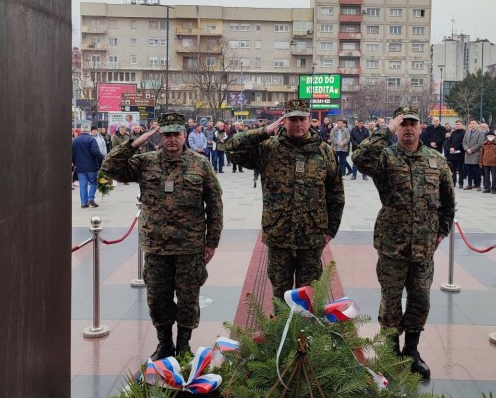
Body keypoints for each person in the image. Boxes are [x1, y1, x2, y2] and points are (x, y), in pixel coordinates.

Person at [101, 112, 223, 360]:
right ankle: (164, 343)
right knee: (158, 299)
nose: (171, 139)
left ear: (184, 135)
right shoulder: (145, 162)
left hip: (190, 247)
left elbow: (215, 205)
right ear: (160, 136)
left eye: (176, 134)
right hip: (156, 247)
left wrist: (212, 242)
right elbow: (109, 168)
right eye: (166, 134)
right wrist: (134, 143)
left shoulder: (201, 164)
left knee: (188, 299)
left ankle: (184, 344)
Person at [353, 106, 455, 380]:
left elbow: (448, 203)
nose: (408, 129)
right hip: (392, 245)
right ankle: (390, 351)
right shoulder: (384, 158)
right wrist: (384, 130)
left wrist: (441, 234)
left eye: (413, 124)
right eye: (403, 124)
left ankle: (411, 351)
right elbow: (359, 158)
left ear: (421, 127)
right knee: (390, 301)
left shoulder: (436, 160)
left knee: (421, 299)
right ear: (397, 128)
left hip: (424, 248)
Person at [226, 99, 345, 302]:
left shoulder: (324, 152)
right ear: (284, 121)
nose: (298, 124)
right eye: (292, 119)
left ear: (309, 121)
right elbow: (231, 148)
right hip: (279, 235)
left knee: (308, 295)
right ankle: (281, 333)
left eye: (302, 119)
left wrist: (330, 231)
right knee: (280, 296)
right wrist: (262, 132)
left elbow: (336, 195)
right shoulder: (269, 148)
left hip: (312, 236)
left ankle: (305, 334)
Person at [71, 123, 105, 208]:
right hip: (91, 166)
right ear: (89, 130)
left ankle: (83, 202)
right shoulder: (91, 139)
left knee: (83, 185)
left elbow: (72, 154)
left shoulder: (75, 140)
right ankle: (91, 198)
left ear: (81, 130)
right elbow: (95, 152)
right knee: (94, 182)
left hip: (80, 167)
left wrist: (75, 163)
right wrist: (103, 159)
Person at [462, 120, 484, 190]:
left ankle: (478, 185)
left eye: (473, 123)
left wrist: (471, 149)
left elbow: (480, 143)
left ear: (477, 125)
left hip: (475, 153)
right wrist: (466, 148)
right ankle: (469, 184)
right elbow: (464, 142)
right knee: (469, 170)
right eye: (471, 123)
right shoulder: (467, 132)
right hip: (467, 153)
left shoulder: (480, 132)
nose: (472, 124)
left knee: (477, 170)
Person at [443, 120, 466, 188]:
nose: (457, 125)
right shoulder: (453, 133)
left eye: (458, 124)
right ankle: (453, 182)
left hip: (460, 153)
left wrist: (455, 148)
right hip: (452, 154)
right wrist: (451, 148)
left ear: (462, 125)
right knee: (452, 169)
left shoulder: (464, 133)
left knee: (460, 169)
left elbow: (462, 143)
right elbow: (449, 141)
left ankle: (461, 183)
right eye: (456, 124)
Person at [252, 118, 268, 187]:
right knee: (256, 164)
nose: (261, 122)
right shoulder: (255, 129)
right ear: (257, 122)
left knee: (264, 163)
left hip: (264, 148)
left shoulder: (267, 128)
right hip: (257, 149)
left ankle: (264, 178)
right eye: (259, 121)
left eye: (262, 121)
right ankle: (255, 178)